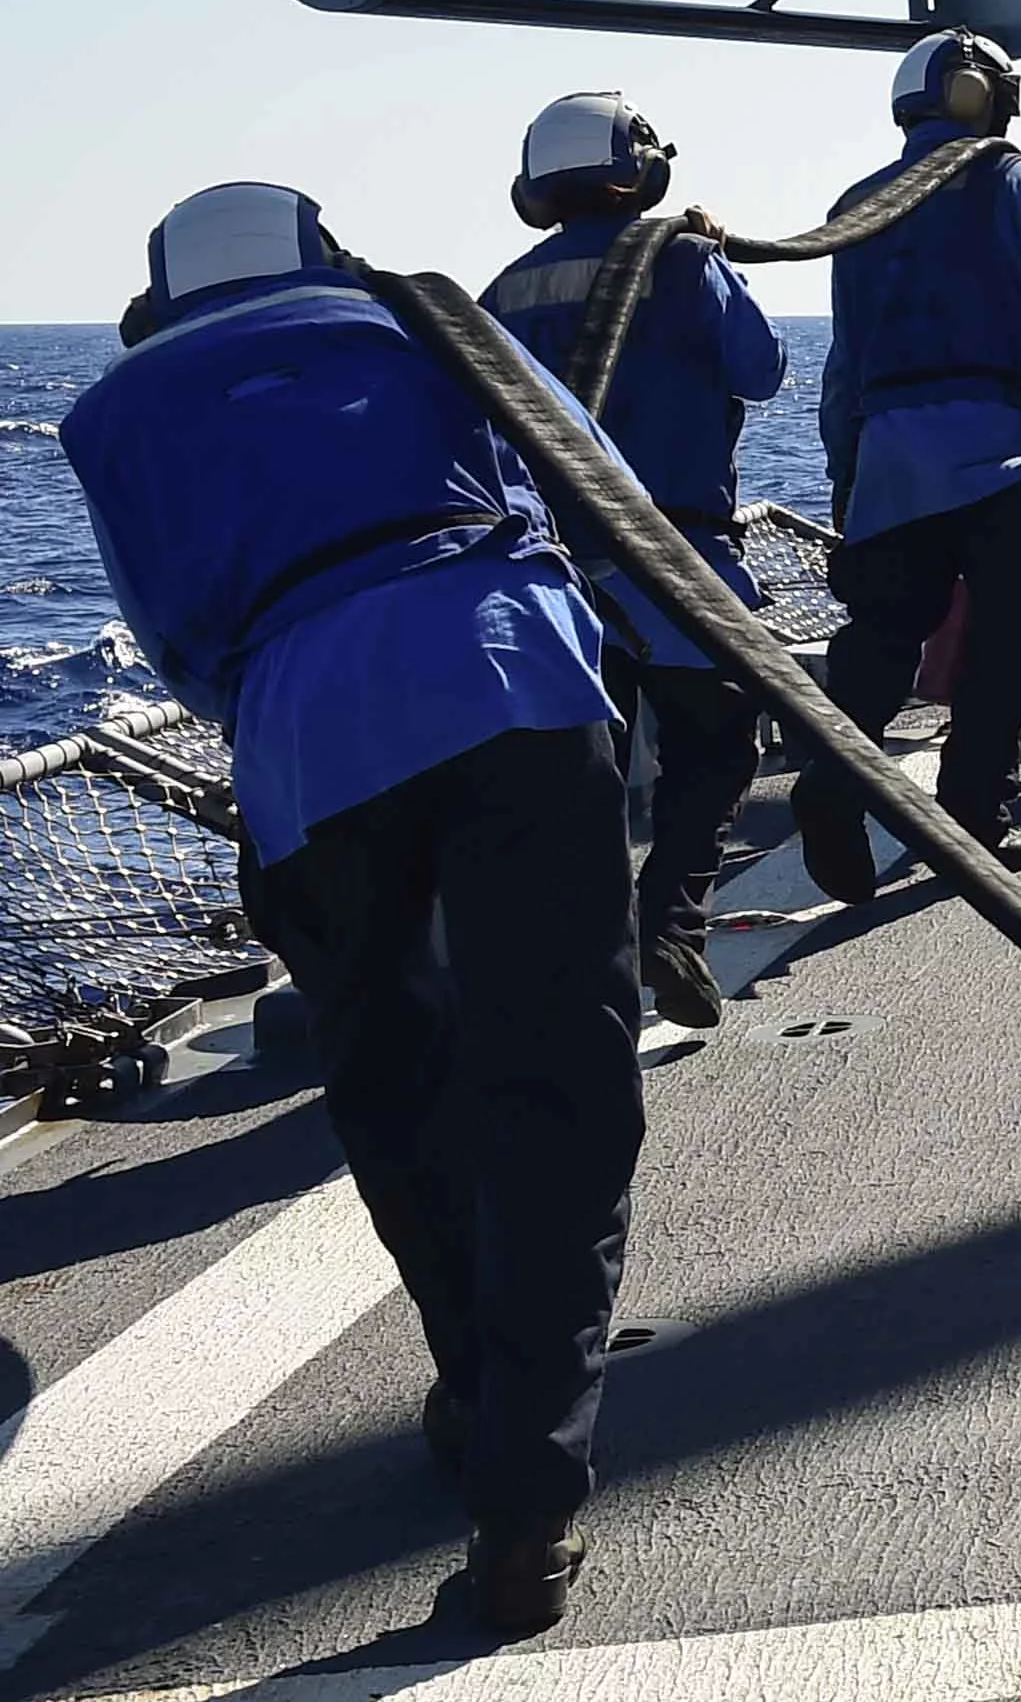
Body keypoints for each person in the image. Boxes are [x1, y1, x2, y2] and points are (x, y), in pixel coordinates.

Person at [62, 186, 640, 1639]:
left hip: (306, 745)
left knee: (391, 1080)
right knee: (557, 1087)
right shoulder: (419, 317)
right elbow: (595, 486)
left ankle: (472, 1382)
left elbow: (175, 636)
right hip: (514, 682)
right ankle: (529, 1496)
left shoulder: (113, 410)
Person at [478, 92, 780, 1028]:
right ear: (642, 169)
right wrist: (716, 264)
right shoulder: (682, 259)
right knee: (717, 745)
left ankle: (577, 957)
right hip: (679, 555)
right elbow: (761, 369)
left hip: (554, 577)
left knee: (581, 776)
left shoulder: (499, 294)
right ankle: (672, 925)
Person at [804, 30, 1021, 897]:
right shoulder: (1009, 176)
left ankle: (831, 782)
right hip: (1000, 452)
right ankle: (976, 819)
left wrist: (845, 476)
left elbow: (845, 362)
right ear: (981, 95)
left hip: (890, 458)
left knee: (882, 640)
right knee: (1003, 646)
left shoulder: (859, 201)